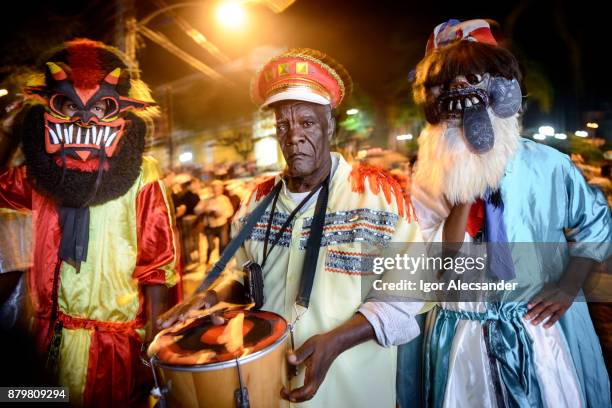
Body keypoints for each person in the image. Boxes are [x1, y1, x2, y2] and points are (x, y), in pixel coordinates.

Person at [159, 48, 425, 407]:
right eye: (283, 124)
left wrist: (338, 339)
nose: (294, 135)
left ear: (330, 125)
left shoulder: (378, 197)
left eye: (307, 122)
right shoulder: (255, 203)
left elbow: (409, 291)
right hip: (270, 390)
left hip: (351, 393)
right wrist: (209, 297)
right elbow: (243, 274)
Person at [405, 19, 611, 407]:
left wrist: (569, 286)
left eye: (474, 76)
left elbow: (596, 223)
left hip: (541, 338)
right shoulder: (427, 177)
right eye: (450, 82)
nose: (463, 89)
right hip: (463, 345)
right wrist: (465, 180)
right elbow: (438, 268)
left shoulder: (549, 164)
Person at [0, 39, 180, 407]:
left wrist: (154, 347)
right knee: (26, 399)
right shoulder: (35, 176)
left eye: (101, 107)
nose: (85, 119)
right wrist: (9, 129)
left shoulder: (143, 175)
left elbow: (158, 266)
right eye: (70, 105)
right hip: (43, 341)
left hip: (112, 349)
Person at [196, 179, 234, 264]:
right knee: (210, 246)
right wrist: (205, 210)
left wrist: (220, 214)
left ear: (221, 189)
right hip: (209, 226)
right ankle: (207, 261)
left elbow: (230, 211)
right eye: (214, 188)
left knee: (223, 245)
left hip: (221, 225)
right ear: (211, 189)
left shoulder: (224, 199)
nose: (216, 190)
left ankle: (221, 263)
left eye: (218, 188)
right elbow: (196, 210)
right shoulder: (206, 199)